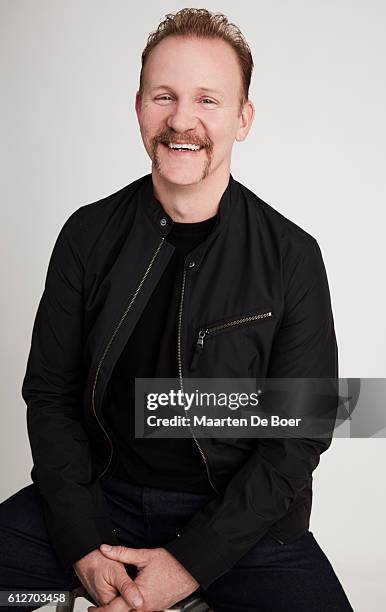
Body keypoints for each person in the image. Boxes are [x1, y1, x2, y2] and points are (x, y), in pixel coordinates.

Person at [0, 8, 354, 612]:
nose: (181, 120)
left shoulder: (293, 255)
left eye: (207, 100)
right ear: (138, 107)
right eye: (163, 96)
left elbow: (299, 435)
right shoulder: (86, 236)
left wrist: (190, 566)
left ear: (243, 119)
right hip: (98, 499)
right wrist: (84, 545)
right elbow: (51, 396)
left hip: (243, 525)